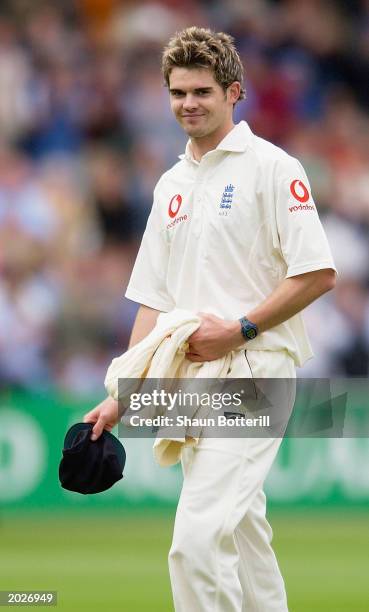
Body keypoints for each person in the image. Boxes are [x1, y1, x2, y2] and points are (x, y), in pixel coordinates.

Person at [84, 27, 337, 611]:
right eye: (177, 93)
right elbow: (152, 299)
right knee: (244, 537)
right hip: (190, 379)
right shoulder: (172, 184)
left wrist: (240, 328)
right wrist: (124, 394)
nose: (188, 104)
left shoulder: (274, 168)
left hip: (257, 371)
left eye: (202, 91)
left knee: (196, 542)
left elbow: (317, 272)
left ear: (234, 92)